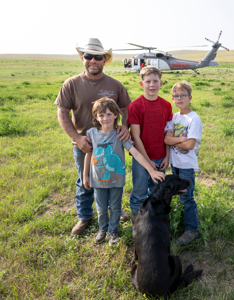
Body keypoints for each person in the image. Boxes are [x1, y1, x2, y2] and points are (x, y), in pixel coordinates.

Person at [55, 37, 132, 236]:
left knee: (112, 175)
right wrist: (78, 138)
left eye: (98, 57)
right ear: (83, 58)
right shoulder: (71, 84)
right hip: (84, 144)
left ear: (105, 60)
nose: (93, 61)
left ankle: (114, 211)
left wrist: (125, 126)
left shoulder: (115, 85)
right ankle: (84, 216)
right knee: (85, 180)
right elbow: (62, 113)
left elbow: (126, 108)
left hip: (112, 144)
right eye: (88, 56)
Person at [83, 98, 165, 245]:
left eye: (109, 114)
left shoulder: (120, 134)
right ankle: (103, 229)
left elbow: (136, 153)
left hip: (116, 181)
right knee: (101, 208)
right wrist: (85, 176)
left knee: (115, 207)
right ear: (96, 117)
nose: (105, 118)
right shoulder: (91, 133)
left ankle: (113, 231)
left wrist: (151, 170)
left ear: (116, 115)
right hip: (98, 180)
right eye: (101, 115)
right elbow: (88, 154)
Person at [127, 66, 173, 221]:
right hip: (141, 158)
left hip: (161, 157)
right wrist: (147, 161)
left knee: (157, 190)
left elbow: (168, 134)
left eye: (155, 81)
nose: (152, 85)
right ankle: (137, 222)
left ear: (161, 83)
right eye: (148, 81)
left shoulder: (166, 105)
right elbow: (136, 137)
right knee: (139, 191)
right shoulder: (136, 105)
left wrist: (167, 156)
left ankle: (154, 219)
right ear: (142, 84)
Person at [164, 81, 202, 246]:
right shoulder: (173, 117)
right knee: (178, 195)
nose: (179, 98)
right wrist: (180, 139)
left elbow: (190, 145)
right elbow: (166, 139)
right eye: (176, 96)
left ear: (190, 97)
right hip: (175, 164)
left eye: (182, 95)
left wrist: (173, 141)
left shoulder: (194, 118)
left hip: (187, 165)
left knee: (187, 198)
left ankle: (192, 230)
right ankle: (183, 222)